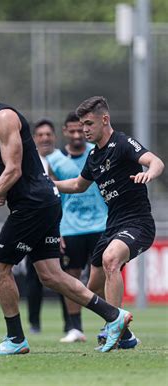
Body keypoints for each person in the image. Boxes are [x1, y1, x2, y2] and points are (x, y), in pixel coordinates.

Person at [0, 67, 134, 355]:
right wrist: (2, 194)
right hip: (38, 202)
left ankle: (15, 339)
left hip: (34, 204)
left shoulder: (4, 117)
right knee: (51, 275)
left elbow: (14, 170)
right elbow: (10, 171)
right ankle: (114, 316)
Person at [54, 96, 164, 349]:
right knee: (90, 290)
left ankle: (113, 327)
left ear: (105, 119)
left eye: (89, 124)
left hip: (138, 223)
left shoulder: (123, 143)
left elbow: (156, 161)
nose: (84, 130)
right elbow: (78, 186)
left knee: (111, 259)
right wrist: (47, 185)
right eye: (82, 125)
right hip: (112, 226)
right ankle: (125, 336)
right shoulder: (93, 157)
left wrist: (149, 173)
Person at [44, 112, 107, 343]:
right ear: (65, 132)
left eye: (80, 129)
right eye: (72, 130)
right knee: (71, 278)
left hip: (101, 225)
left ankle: (111, 323)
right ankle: (75, 328)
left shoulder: (97, 152)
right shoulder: (55, 160)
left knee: (104, 276)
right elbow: (52, 197)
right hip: (70, 228)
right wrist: (55, 228)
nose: (77, 134)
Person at [26, 119, 70, 335]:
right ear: (34, 138)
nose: (44, 138)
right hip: (32, 226)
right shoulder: (29, 161)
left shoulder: (62, 161)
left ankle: (70, 324)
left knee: (61, 276)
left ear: (54, 137)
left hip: (59, 225)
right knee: (34, 278)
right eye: (40, 135)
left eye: (48, 134)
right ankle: (34, 324)